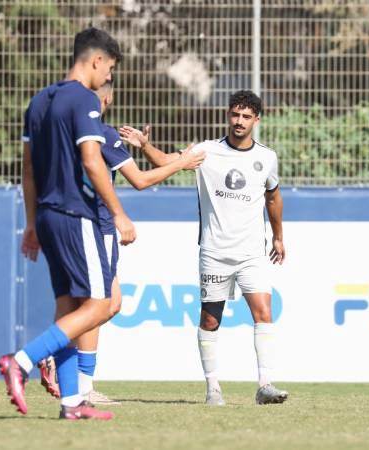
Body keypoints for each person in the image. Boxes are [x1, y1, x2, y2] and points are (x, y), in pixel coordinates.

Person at [37, 81, 205, 404]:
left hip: (74, 222)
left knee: (100, 304)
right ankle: (54, 353)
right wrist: (182, 164)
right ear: (108, 97)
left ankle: (82, 384)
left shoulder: (65, 133)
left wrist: (150, 148)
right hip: (100, 226)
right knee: (105, 304)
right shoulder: (103, 133)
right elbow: (140, 180)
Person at [119, 90, 288, 406]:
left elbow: (273, 198)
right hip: (214, 251)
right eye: (235, 115)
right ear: (228, 115)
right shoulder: (206, 151)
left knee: (264, 313)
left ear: (256, 120)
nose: (239, 121)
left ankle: (265, 384)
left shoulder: (266, 157)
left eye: (246, 116)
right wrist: (144, 146)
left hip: (252, 252)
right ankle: (213, 389)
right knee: (211, 320)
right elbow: (166, 162)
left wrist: (278, 236)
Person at [0, 27, 133, 421]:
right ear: (97, 61)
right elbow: (92, 161)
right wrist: (120, 213)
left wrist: (31, 223)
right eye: (109, 68)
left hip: (47, 215)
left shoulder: (39, 100)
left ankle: (72, 403)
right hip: (77, 215)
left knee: (68, 308)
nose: (109, 77)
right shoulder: (83, 98)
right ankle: (21, 362)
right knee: (100, 304)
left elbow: (27, 170)